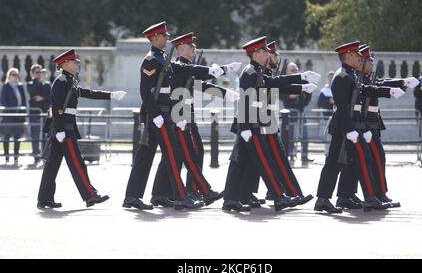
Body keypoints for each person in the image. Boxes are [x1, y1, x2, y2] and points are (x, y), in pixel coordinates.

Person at [123, 22, 240, 210]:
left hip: (165, 112)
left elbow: (188, 71)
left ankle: (135, 196)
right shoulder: (151, 60)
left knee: (147, 156)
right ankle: (179, 196)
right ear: (155, 38)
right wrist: (156, 115)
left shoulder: (162, 58)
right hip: (158, 114)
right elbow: (146, 91)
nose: (167, 38)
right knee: (172, 153)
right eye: (163, 35)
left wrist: (217, 70)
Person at [314, 41, 406, 214]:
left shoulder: (351, 75)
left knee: (345, 162)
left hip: (353, 126)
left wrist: (388, 92)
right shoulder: (342, 76)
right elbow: (341, 107)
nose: (359, 58)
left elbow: (365, 90)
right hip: (344, 127)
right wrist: (350, 130)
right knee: (345, 161)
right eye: (356, 55)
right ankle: (368, 198)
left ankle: (328, 199)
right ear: (348, 56)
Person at [223, 36, 313, 212]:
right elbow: (245, 101)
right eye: (264, 51)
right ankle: (278, 196)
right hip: (250, 123)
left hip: (257, 122)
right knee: (261, 160)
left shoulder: (259, 71)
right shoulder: (250, 72)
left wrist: (300, 84)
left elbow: (274, 83)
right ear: (255, 53)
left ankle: (233, 198)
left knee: (240, 162)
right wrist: (246, 127)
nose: (267, 54)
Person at [37, 49, 127, 209]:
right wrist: (59, 130)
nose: (77, 63)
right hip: (63, 128)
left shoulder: (70, 81)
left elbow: (88, 93)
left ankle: (44, 199)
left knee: (52, 164)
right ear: (64, 64)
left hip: (64, 127)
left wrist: (111, 95)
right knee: (77, 162)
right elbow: (57, 107)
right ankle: (90, 195)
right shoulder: (61, 81)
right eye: (74, 61)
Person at [335, 44, 417, 209]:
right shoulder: (351, 77)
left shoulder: (359, 77)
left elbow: (379, 83)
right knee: (368, 159)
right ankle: (374, 195)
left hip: (364, 124)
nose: (371, 64)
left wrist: (401, 83)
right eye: (367, 60)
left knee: (358, 160)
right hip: (360, 124)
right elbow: (369, 91)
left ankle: (352, 195)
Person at [280, 62, 313, 166]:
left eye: (296, 69)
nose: (295, 72)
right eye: (292, 70)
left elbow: (308, 93)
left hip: (300, 111)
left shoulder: (302, 81)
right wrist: (290, 96)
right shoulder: (284, 81)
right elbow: (281, 94)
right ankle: (290, 155)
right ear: (287, 72)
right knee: (289, 136)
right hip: (289, 113)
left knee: (305, 135)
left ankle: (304, 156)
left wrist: (300, 98)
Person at [1, 68, 26, 165]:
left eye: (16, 74)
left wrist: (22, 112)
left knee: (17, 137)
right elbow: (3, 101)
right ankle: (7, 158)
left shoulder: (20, 86)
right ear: (9, 76)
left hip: (19, 115)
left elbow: (23, 100)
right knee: (6, 137)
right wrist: (10, 110)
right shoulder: (6, 86)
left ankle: (16, 158)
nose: (15, 76)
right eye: (13, 74)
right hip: (9, 115)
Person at [27, 64, 51, 166]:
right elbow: (34, 94)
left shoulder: (47, 84)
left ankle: (44, 157)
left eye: (40, 72)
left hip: (45, 114)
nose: (39, 74)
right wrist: (39, 82)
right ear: (32, 74)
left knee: (45, 137)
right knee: (35, 136)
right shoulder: (30, 84)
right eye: (37, 72)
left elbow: (50, 97)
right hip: (35, 114)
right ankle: (36, 157)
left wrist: (43, 98)